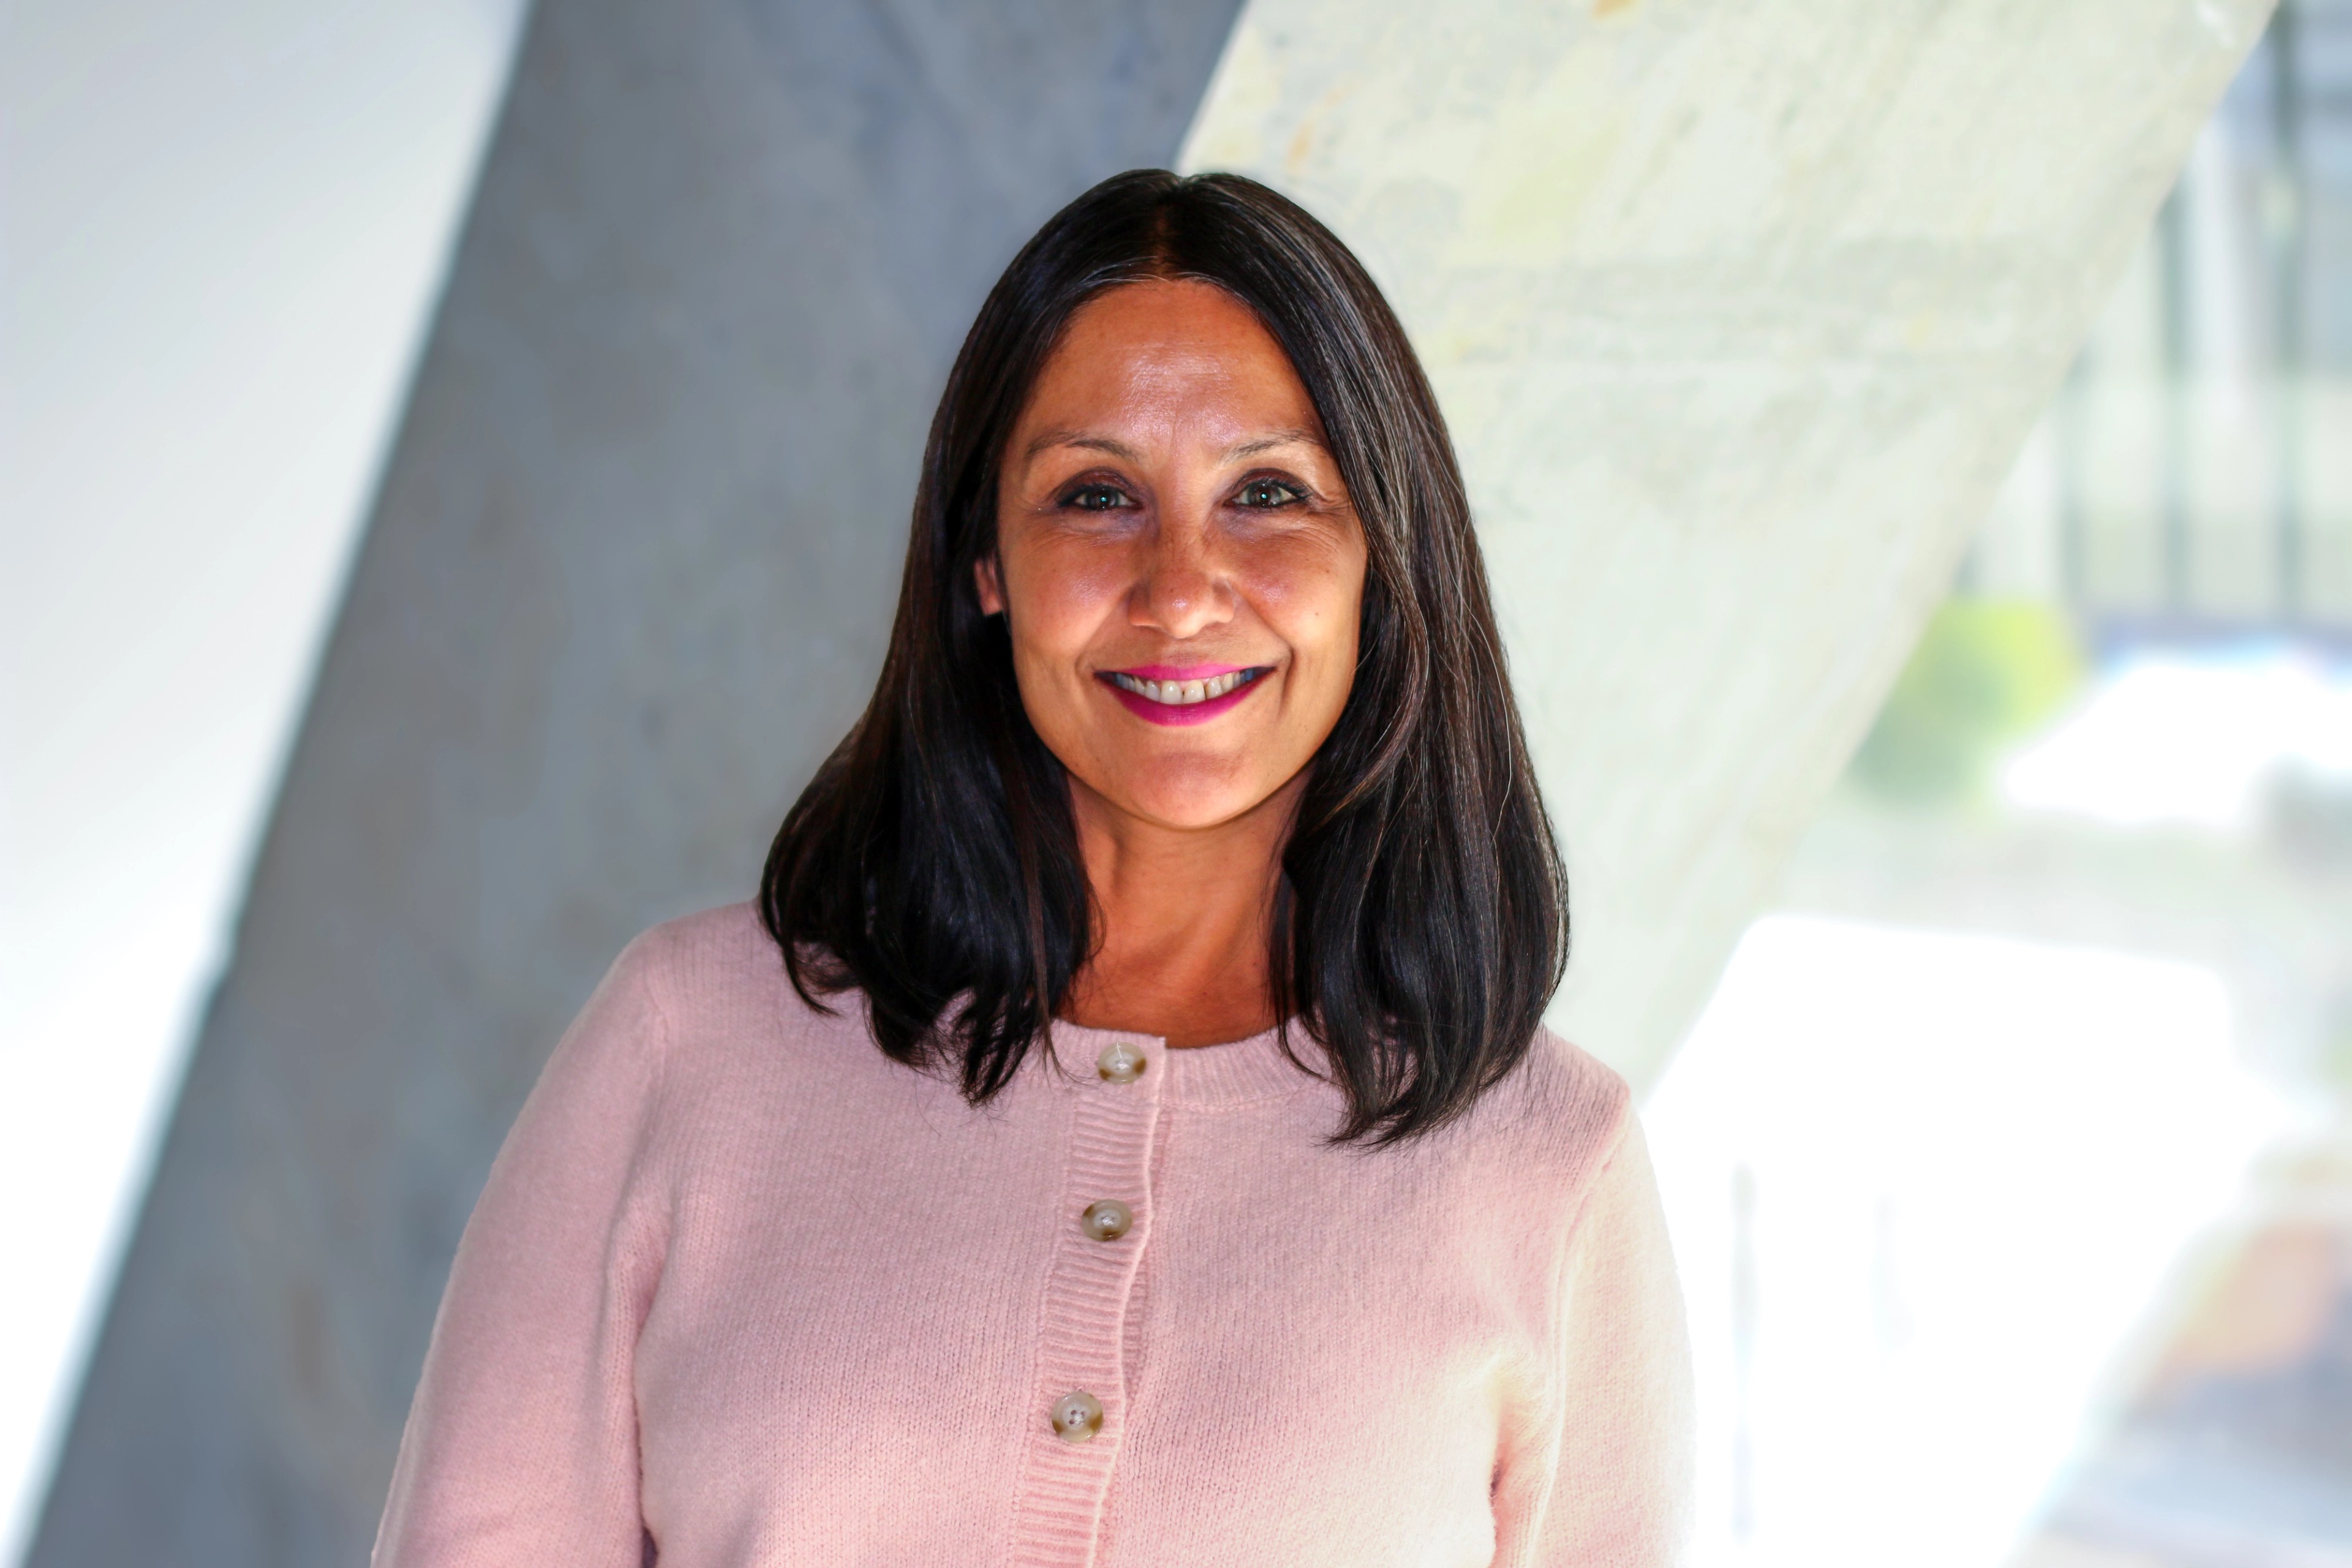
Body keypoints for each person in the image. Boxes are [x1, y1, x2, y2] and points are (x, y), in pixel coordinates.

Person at [372, 168, 1691, 1568]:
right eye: (1097, 493)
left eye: (1268, 492)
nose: (1181, 588)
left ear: (1379, 555)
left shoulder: (1550, 1167)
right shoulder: (686, 1046)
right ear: (986, 559)